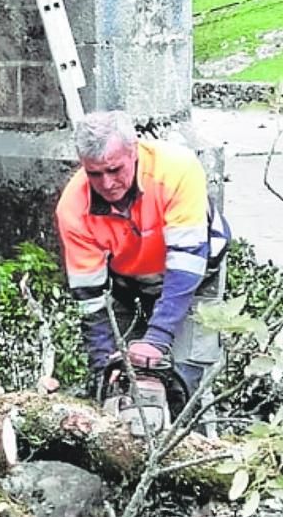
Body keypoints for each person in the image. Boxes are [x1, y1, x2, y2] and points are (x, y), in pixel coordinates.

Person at [54, 110, 231, 398]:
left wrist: (158, 338)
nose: (107, 184)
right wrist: (103, 364)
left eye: (115, 170)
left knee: (183, 377)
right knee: (118, 381)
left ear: (134, 149)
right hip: (128, 279)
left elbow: (186, 264)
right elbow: (90, 298)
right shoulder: (73, 208)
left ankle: (195, 431)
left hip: (194, 273)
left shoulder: (177, 169)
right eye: (94, 174)